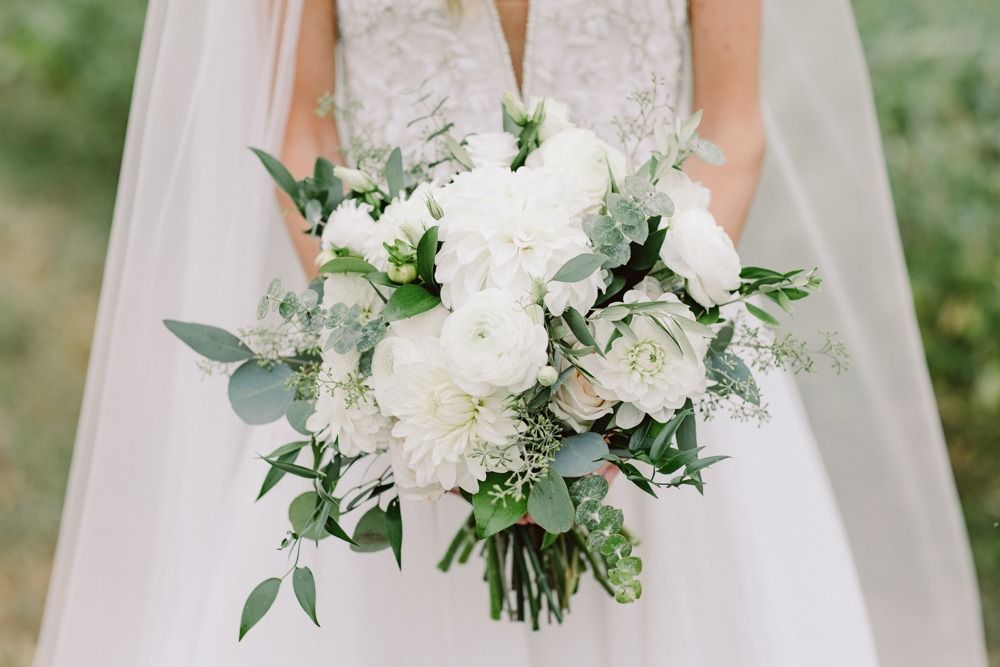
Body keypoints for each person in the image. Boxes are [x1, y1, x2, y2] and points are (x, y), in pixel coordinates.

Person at [34, 1, 987, 665]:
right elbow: (304, 131)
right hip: (406, 410)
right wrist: (396, 355)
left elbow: (734, 123)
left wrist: (630, 345)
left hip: (652, 375)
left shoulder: (641, 358)